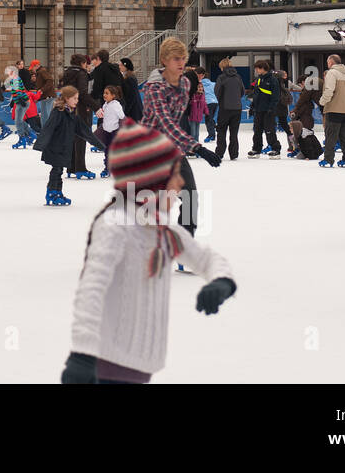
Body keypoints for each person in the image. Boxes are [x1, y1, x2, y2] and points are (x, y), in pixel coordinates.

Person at [60, 122, 235, 384]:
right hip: (105, 364)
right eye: (174, 177)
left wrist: (222, 281)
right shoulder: (116, 224)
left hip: (141, 364)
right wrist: (82, 354)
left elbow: (204, 257)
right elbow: (92, 288)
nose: (179, 185)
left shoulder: (160, 226)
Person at [139, 39, 222, 243]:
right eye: (176, 59)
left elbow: (176, 122)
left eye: (183, 58)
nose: (181, 63)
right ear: (165, 60)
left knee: (190, 197)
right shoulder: (153, 88)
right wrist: (198, 148)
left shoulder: (185, 83)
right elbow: (165, 122)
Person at [35, 85, 81, 205]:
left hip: (61, 147)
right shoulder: (58, 111)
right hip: (55, 148)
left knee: (59, 170)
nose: (77, 101)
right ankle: (51, 193)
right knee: (56, 170)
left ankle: (57, 192)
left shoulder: (69, 112)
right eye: (75, 98)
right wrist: (40, 143)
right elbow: (48, 128)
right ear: (66, 98)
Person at [318, 53, 345, 167]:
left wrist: (322, 102)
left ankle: (328, 159)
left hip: (334, 108)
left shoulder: (332, 73)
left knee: (331, 135)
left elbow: (329, 90)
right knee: (344, 136)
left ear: (331, 62)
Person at [246, 60, 282, 158]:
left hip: (268, 110)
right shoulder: (258, 79)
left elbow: (276, 96)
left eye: (257, 68)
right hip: (258, 109)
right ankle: (256, 149)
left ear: (263, 68)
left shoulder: (273, 80)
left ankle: (276, 149)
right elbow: (256, 94)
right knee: (257, 131)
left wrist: (271, 108)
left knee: (269, 130)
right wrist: (252, 106)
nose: (256, 70)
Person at [212, 58, 245, 162]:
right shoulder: (238, 77)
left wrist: (222, 100)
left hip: (225, 108)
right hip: (237, 108)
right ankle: (234, 154)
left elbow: (217, 91)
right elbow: (242, 91)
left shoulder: (221, 78)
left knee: (221, 131)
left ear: (222, 67)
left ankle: (219, 153)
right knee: (234, 132)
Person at [198, 67, 217, 143]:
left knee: (208, 119)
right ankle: (213, 135)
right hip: (215, 103)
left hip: (208, 103)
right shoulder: (213, 84)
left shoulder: (200, 84)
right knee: (211, 118)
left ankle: (211, 134)